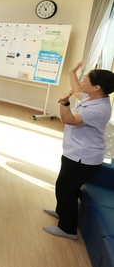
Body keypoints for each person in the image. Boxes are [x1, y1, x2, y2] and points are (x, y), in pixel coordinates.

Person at [44, 62, 114, 240]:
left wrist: (63, 102)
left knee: (65, 189)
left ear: (97, 87)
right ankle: (62, 212)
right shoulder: (94, 98)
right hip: (75, 153)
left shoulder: (99, 109)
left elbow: (67, 119)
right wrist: (71, 73)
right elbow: (76, 89)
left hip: (83, 157)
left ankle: (68, 229)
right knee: (65, 186)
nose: (82, 81)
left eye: (86, 79)